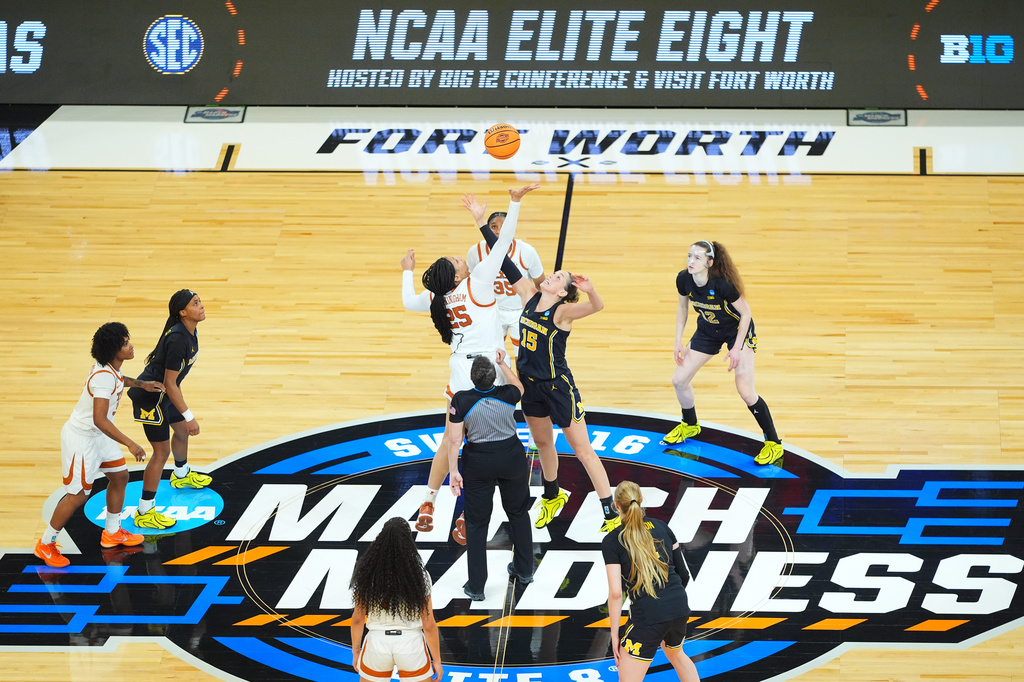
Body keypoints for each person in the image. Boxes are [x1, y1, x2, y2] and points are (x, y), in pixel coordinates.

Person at [466, 199, 620, 533]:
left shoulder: (563, 313)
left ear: (564, 291)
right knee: (544, 443)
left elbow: (598, 307)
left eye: (559, 277)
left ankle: (610, 512)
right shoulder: (528, 296)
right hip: (530, 385)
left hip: (558, 386)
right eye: (553, 273)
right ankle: (552, 495)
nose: (552, 275)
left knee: (582, 449)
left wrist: (591, 292)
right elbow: (502, 258)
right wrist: (481, 221)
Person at [400, 183, 539, 537]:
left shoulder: (436, 296)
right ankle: (467, 515)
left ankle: (429, 501)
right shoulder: (478, 283)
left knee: (451, 441)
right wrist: (514, 202)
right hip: (491, 369)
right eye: (458, 261)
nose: (462, 258)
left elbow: (406, 301)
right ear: (460, 274)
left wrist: (406, 270)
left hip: (460, 370)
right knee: (488, 444)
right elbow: (503, 244)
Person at [34, 322, 165, 568]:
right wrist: (130, 443)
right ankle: (46, 543)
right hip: (82, 439)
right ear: (114, 350)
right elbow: (100, 419)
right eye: (126, 343)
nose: (131, 344)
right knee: (78, 495)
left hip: (99, 436)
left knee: (120, 476)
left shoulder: (109, 368)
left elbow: (119, 379)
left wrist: (141, 384)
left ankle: (112, 531)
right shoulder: (103, 378)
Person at [661, 240, 783, 466]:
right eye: (689, 256)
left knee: (745, 390)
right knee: (679, 379)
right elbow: (682, 308)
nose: (690, 261)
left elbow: (746, 314)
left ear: (709, 262)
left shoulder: (723, 285)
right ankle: (690, 424)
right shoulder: (683, 279)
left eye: (697, 258)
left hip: (737, 331)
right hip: (708, 329)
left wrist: (737, 348)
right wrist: (678, 340)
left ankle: (774, 443)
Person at [447, 350, 534, 601]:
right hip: (511, 458)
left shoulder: (461, 400)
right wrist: (502, 363)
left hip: (478, 463)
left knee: (476, 524)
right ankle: (525, 571)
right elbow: (519, 385)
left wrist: (454, 472)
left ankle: (476, 586)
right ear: (494, 378)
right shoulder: (508, 394)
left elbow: (454, 441)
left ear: (472, 380)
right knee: (518, 513)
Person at [128, 289, 212, 531]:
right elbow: (171, 382)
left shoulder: (189, 331)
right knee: (161, 453)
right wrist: (190, 416)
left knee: (182, 433)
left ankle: (181, 474)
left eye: (200, 301)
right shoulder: (177, 340)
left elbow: (173, 384)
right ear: (183, 312)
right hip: (150, 399)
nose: (201, 305)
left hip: (165, 394)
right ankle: (144, 511)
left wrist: (184, 417)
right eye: (195, 303)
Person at [602, 481, 700, 682]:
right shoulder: (662, 527)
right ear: (641, 500)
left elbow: (615, 594)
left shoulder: (613, 540)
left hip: (649, 615)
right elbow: (683, 574)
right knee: (676, 654)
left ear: (616, 505)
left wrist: (613, 636)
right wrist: (669, 604)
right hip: (679, 607)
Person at [350, 517, 443, 682]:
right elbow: (428, 624)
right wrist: (437, 660)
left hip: (376, 643)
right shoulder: (419, 574)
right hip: (411, 644)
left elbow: (358, 619)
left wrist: (356, 650)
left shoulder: (367, 572)